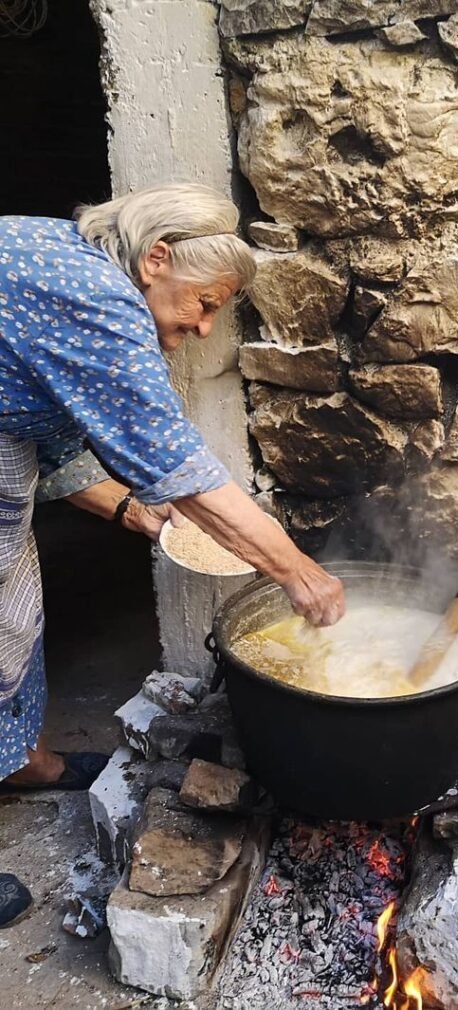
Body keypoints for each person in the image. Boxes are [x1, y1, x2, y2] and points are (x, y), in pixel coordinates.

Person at [0, 183, 345, 927]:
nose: (202, 324)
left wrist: (131, 511)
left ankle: (16, 761)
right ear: (157, 258)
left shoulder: (68, 254)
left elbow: (46, 423)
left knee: (11, 619)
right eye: (207, 302)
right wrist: (299, 574)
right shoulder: (94, 297)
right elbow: (178, 466)